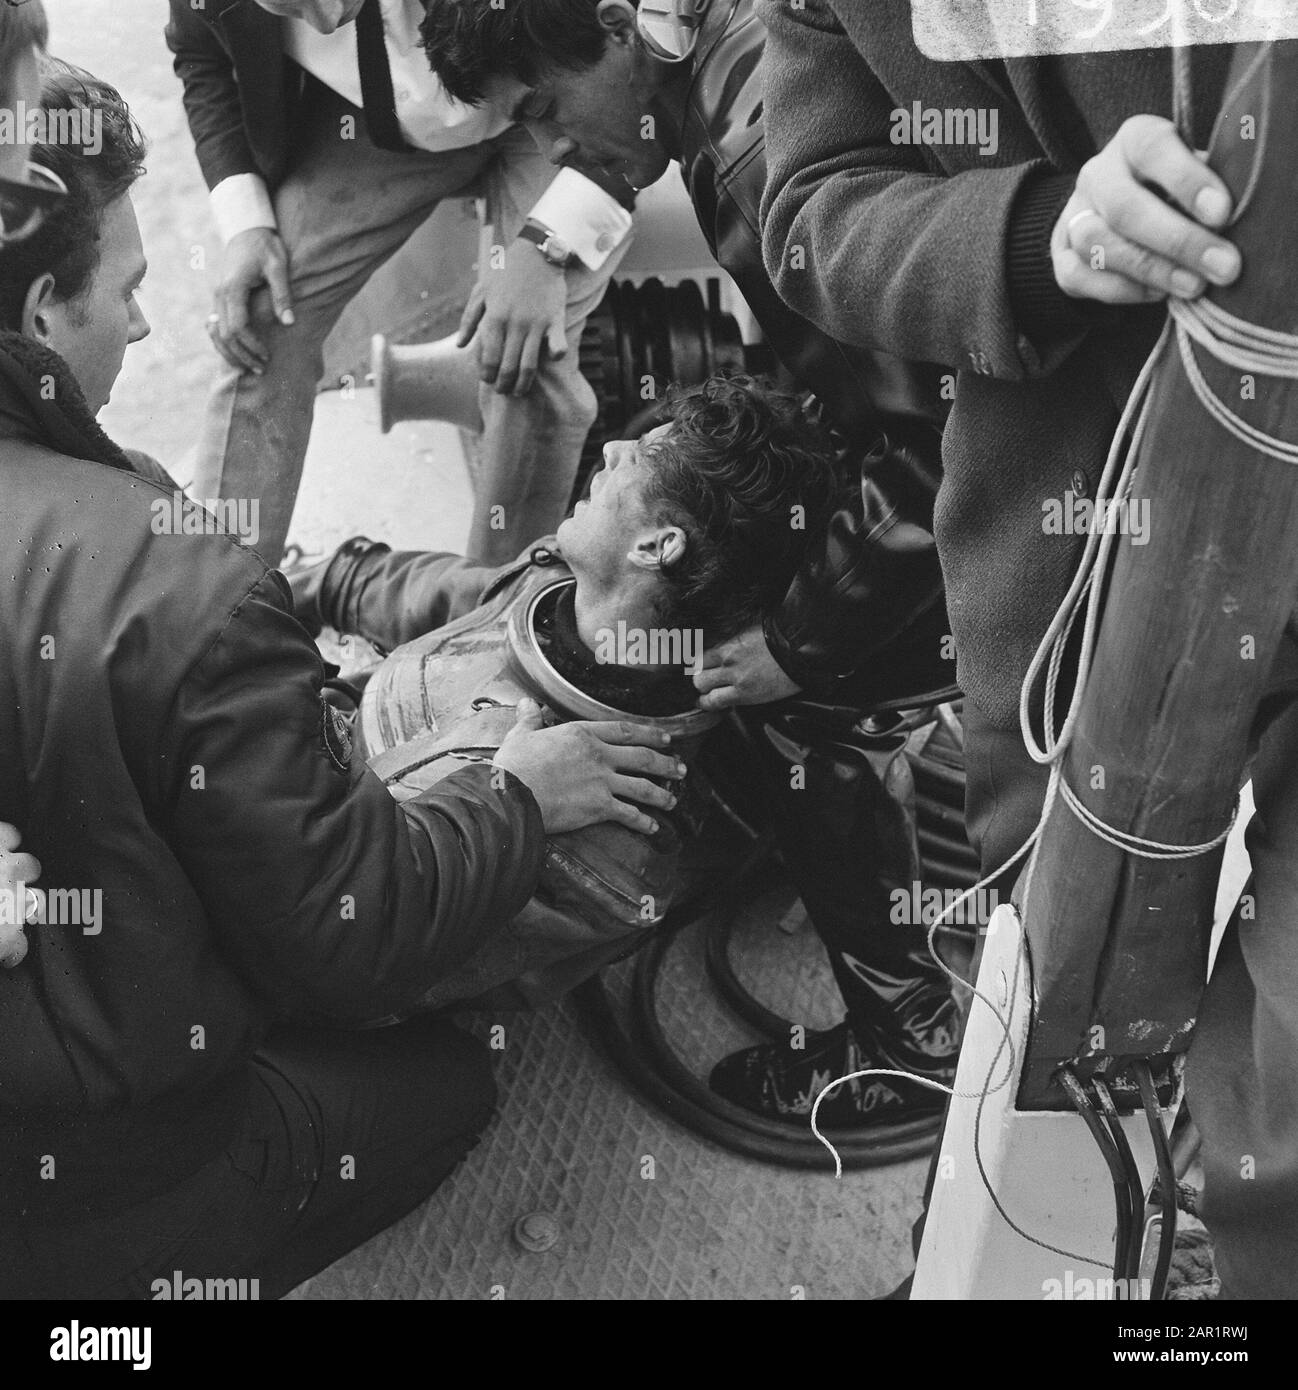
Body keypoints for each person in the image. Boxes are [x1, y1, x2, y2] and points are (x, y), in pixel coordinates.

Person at [0, 64, 677, 1300]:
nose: (151, 328)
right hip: (102, 1185)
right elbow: (346, 943)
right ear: (43, 310)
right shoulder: (170, 585)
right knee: (445, 1081)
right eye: (130, 292)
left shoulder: (156, 576)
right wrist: (515, 800)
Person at [757, 0, 1293, 1298]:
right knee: (1034, 1030)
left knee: (1273, 1130)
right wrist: (1039, 233)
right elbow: (815, 203)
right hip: (1061, 592)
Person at [412, 0, 963, 1132]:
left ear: (614, 29)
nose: (557, 144)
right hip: (960, 413)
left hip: (1015, 478)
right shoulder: (694, 46)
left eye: (550, 110)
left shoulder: (760, 153)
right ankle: (889, 816)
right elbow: (628, 126)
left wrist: (796, 643)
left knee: (801, 711)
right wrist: (544, 240)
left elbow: (932, 441)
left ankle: (910, 1041)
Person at [294, 374, 962, 1129]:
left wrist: (505, 798)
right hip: (306, 772)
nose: (608, 447)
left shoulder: (617, 844)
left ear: (658, 543)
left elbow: (361, 956)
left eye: (635, 456)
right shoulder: (548, 583)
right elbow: (441, 595)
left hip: (308, 887)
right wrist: (319, 581)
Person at [164, 0, 637, 566]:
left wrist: (548, 243)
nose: (310, 23)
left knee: (527, 350)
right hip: (371, 126)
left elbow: (631, 72)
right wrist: (244, 221)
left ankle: (493, 604)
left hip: (548, 105)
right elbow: (200, 56)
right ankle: (227, 609)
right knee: (262, 317)